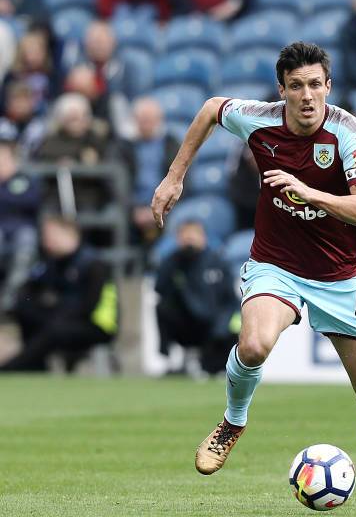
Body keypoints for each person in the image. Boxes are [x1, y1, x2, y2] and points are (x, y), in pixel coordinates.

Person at [151, 42, 356, 508]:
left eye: (316, 84)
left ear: (328, 87)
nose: (307, 95)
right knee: (253, 344)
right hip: (276, 266)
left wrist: (308, 192)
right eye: (296, 86)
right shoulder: (260, 119)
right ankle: (233, 422)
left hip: (339, 277)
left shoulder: (349, 134)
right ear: (283, 90)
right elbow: (212, 108)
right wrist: (175, 177)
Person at [0, 216, 118, 372]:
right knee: (25, 311)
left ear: (69, 235)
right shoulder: (52, 262)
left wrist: (57, 312)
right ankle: (36, 368)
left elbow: (89, 306)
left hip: (96, 325)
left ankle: (10, 369)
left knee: (55, 330)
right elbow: (29, 289)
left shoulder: (94, 264)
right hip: (62, 317)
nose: (46, 241)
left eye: (51, 236)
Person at [155, 220, 238, 376]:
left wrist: (221, 327)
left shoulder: (217, 263)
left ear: (203, 238)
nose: (189, 240)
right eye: (185, 236)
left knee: (214, 368)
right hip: (187, 322)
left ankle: (220, 363)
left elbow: (231, 301)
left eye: (193, 235)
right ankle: (169, 359)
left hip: (214, 325)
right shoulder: (173, 262)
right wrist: (175, 263)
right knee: (162, 307)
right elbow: (159, 288)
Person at [120, 97, 179, 245]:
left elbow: (183, 180)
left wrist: (162, 208)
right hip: (132, 209)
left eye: (150, 119)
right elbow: (117, 183)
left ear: (160, 120)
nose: (146, 124)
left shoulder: (171, 144)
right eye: (143, 119)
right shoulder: (123, 147)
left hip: (167, 207)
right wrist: (133, 209)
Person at [0, 120, 39, 312]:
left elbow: (32, 201)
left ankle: (8, 303)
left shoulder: (24, 179)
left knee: (26, 242)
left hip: (22, 230)